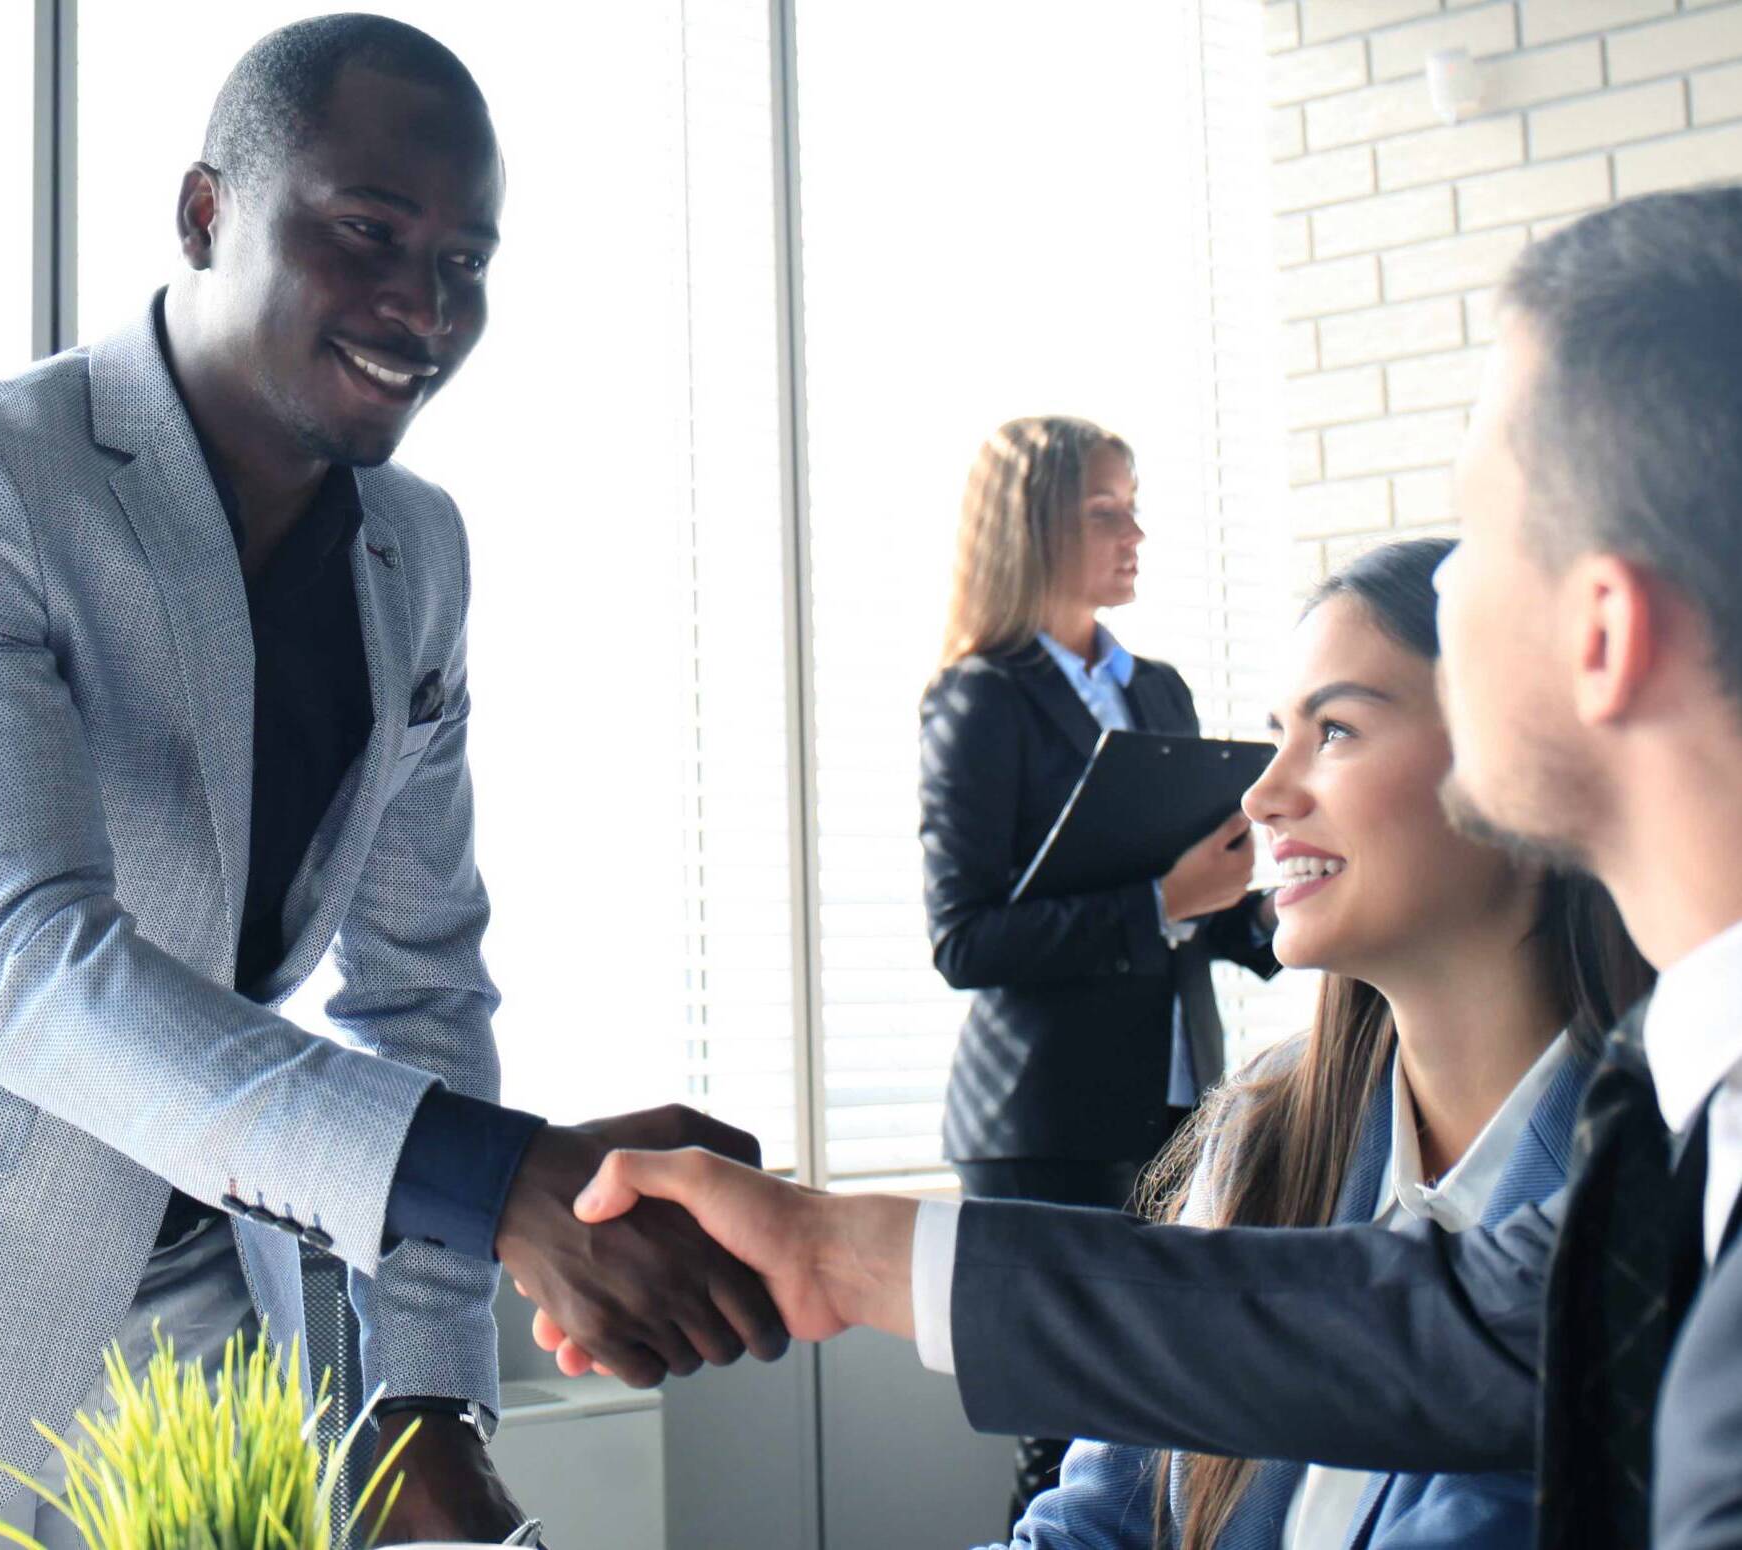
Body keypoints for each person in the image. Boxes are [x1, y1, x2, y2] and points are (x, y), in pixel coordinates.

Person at [0, 16, 781, 1547]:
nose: (425, 302)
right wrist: (503, 1179)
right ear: (206, 214)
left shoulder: (417, 553)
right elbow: (23, 966)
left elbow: (421, 985)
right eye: (368, 231)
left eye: (467, 259)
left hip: (211, 1335)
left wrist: (425, 1401)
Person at [546, 187, 1742, 1549]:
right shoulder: (1631, 1136)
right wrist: (830, 1246)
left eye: (1480, 532)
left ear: (1603, 631)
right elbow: (1423, 1331)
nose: (1271, 786)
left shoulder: (1633, 1153)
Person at [1010, 536, 1649, 1550]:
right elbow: (1094, 1527)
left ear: (1521, 771)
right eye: (1275, 736)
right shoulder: (1259, 1137)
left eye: (1336, 730)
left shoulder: (1663, 1191)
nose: (1262, 795)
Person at [920, 415, 1277, 1515]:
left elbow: (1197, 894)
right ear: (1034, 528)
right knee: (1070, 1443)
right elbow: (964, 937)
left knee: (1172, 1423)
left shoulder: (1155, 690)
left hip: (1173, 1106)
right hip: (1043, 1124)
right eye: (1106, 511)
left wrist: (1299, 912)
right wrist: (1161, 902)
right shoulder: (978, 699)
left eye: (1135, 504)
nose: (1136, 532)